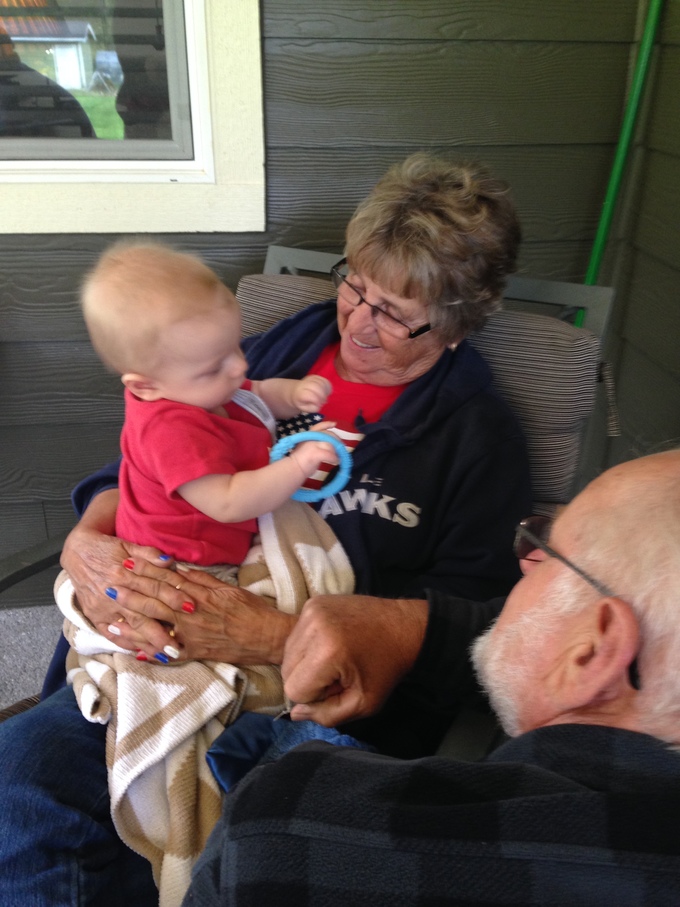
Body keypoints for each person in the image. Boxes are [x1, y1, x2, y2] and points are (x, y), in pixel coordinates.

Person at [0, 154, 532, 905]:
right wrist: (88, 540)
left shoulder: (479, 438)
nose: (359, 321)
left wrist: (279, 638)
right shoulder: (291, 341)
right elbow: (155, 455)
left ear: (455, 327)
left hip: (307, 696)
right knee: (20, 782)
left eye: (394, 313)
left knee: (251, 856)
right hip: (158, 647)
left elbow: (478, 629)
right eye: (355, 284)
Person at [182, 449, 680, 905]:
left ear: (593, 651)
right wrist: (413, 629)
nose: (526, 564)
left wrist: (284, 636)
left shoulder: (286, 833)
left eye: (547, 551)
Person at [79, 240, 338, 601]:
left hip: (221, 544)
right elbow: (228, 502)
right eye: (215, 366)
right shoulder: (172, 431)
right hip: (185, 566)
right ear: (145, 386)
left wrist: (294, 395)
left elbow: (257, 393)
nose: (239, 366)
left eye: (235, 346)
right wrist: (299, 464)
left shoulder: (196, 386)